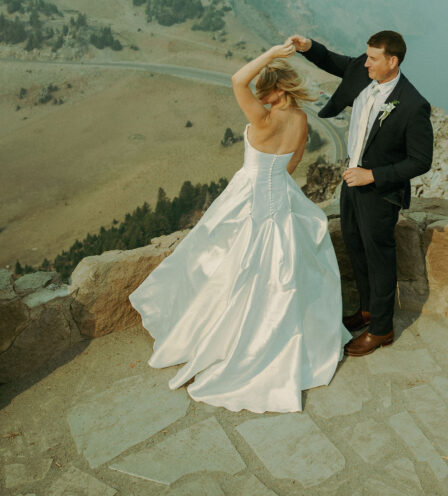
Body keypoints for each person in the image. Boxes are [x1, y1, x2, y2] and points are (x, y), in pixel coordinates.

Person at [128, 42, 351, 413]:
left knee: (223, 262)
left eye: (265, 94)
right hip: (280, 198)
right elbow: (292, 164)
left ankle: (228, 339)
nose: (260, 100)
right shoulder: (301, 120)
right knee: (277, 272)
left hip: (247, 198)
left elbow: (236, 80)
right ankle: (276, 335)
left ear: (277, 91)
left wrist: (271, 54)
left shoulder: (262, 120)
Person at [287, 30, 433, 356]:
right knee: (356, 248)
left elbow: (421, 161)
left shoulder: (412, 105)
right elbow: (330, 60)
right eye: (366, 56)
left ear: (392, 61)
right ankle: (367, 310)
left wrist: (373, 175)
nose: (364, 63)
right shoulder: (362, 72)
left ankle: (382, 329)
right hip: (350, 185)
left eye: (372, 58)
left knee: (379, 257)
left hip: (379, 192)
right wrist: (307, 46)